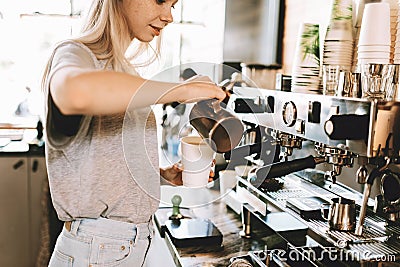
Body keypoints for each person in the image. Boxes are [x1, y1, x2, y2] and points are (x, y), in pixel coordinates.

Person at [42, 0, 226, 266]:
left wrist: (159, 176)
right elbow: (74, 93)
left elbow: (101, 162)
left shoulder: (124, 71)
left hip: (126, 247)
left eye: (173, 5)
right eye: (161, 1)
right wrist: (180, 90)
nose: (169, 16)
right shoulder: (75, 53)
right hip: (97, 249)